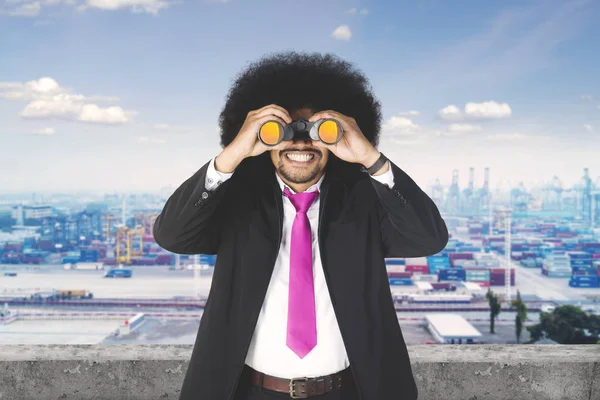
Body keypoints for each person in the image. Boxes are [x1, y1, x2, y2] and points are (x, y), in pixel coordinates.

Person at [153, 51, 448, 400]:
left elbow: (428, 238)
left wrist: (371, 158)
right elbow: (171, 234)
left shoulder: (365, 202)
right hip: (249, 391)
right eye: (281, 130)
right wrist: (232, 154)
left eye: (317, 131)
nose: (300, 142)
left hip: (349, 391)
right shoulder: (237, 201)